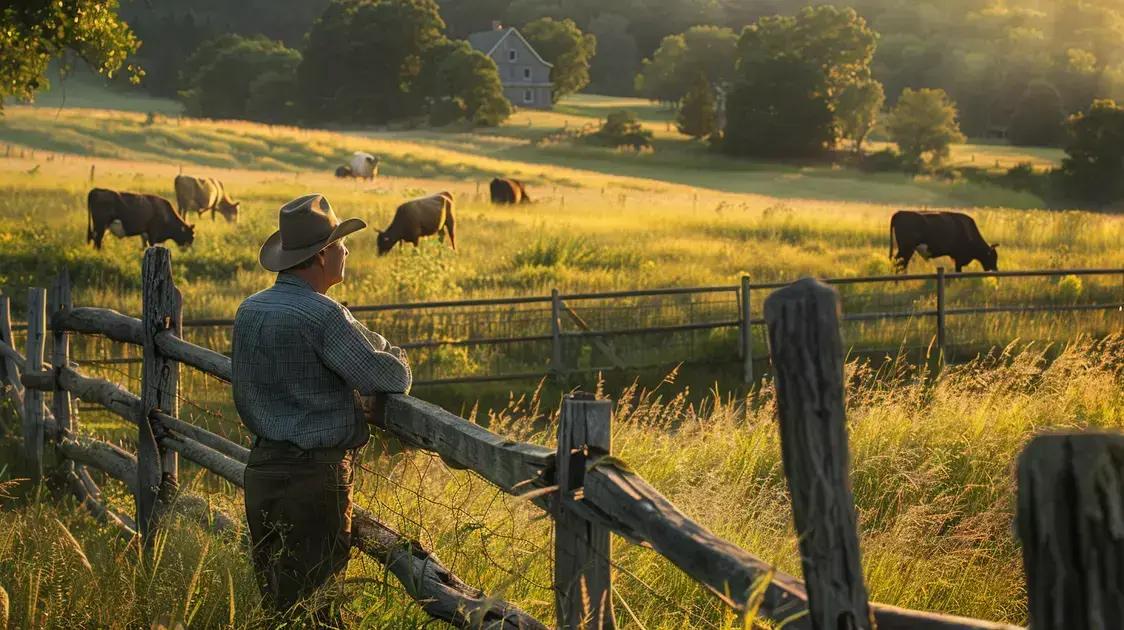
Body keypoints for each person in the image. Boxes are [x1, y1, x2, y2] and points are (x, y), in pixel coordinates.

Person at [232, 193, 412, 626]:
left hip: (262, 469)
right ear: (319, 257)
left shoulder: (250, 309)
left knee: (278, 601)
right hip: (315, 478)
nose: (346, 250)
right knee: (317, 603)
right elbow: (390, 378)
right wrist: (395, 354)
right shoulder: (323, 315)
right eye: (338, 244)